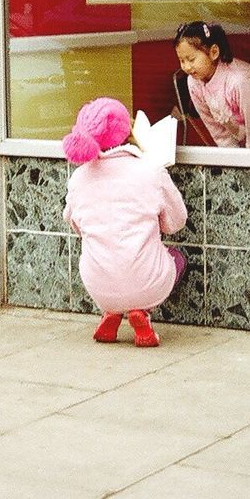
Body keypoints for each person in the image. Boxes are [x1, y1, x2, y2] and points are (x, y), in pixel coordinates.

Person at [62, 97, 188, 347]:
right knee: (178, 257)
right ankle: (142, 314)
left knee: (112, 267)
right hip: (147, 284)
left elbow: (73, 222)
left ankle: (112, 313)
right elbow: (177, 222)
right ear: (128, 130)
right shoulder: (151, 170)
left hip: (98, 285)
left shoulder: (78, 177)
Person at [174, 20, 250, 148]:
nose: (187, 67)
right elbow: (214, 127)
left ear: (214, 52)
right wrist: (231, 156)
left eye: (191, 59)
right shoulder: (193, 82)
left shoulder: (239, 81)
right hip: (238, 122)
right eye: (182, 60)